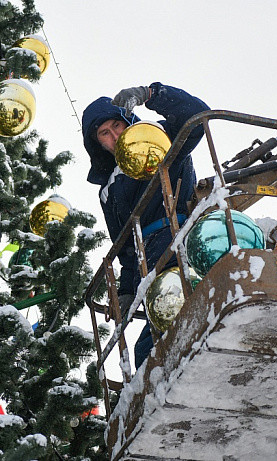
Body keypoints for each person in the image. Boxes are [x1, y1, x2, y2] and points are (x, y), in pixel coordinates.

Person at [82, 82, 209, 367]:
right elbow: (124, 245)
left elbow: (198, 117)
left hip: (186, 237)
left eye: (116, 124)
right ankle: (151, 398)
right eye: (105, 133)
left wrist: (151, 94)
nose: (115, 135)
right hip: (150, 258)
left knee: (180, 320)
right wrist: (127, 291)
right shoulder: (108, 189)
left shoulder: (160, 139)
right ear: (98, 143)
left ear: (126, 119)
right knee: (151, 347)